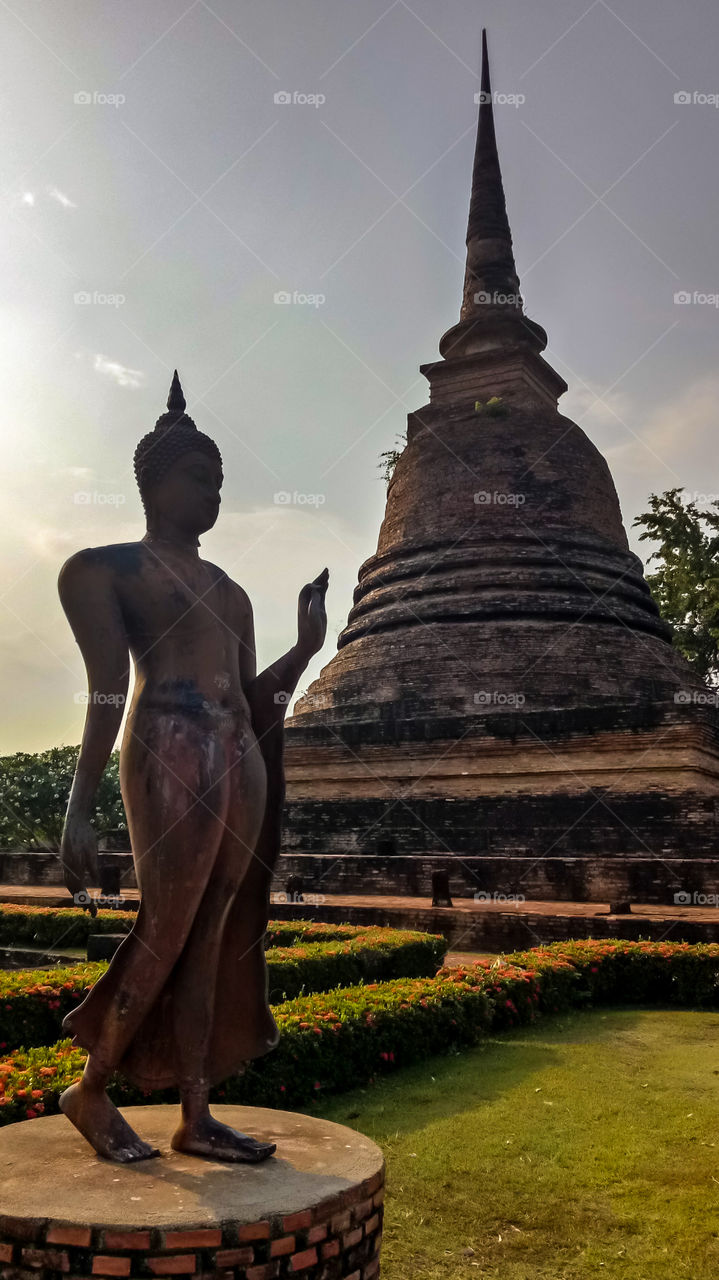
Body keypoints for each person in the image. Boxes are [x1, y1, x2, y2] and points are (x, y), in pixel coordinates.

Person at [57, 372, 328, 1163]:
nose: (210, 494)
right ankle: (92, 1086)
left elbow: (251, 696)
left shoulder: (230, 591)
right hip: (169, 739)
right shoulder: (104, 568)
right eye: (196, 478)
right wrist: (81, 798)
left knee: (212, 930)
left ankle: (196, 1114)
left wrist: (306, 649)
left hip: (236, 749)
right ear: (154, 483)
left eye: (218, 482)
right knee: (167, 922)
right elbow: (108, 686)